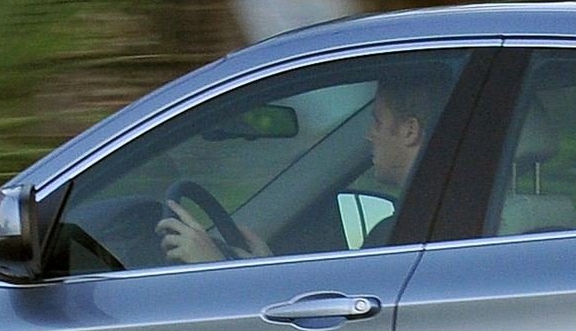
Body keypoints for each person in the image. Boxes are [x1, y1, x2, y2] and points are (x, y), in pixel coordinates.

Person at [157, 68, 441, 264]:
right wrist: (268, 266)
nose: (370, 135)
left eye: (378, 121)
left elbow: (345, 324)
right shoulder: (426, 224)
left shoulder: (408, 234)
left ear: (410, 131)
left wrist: (215, 268)